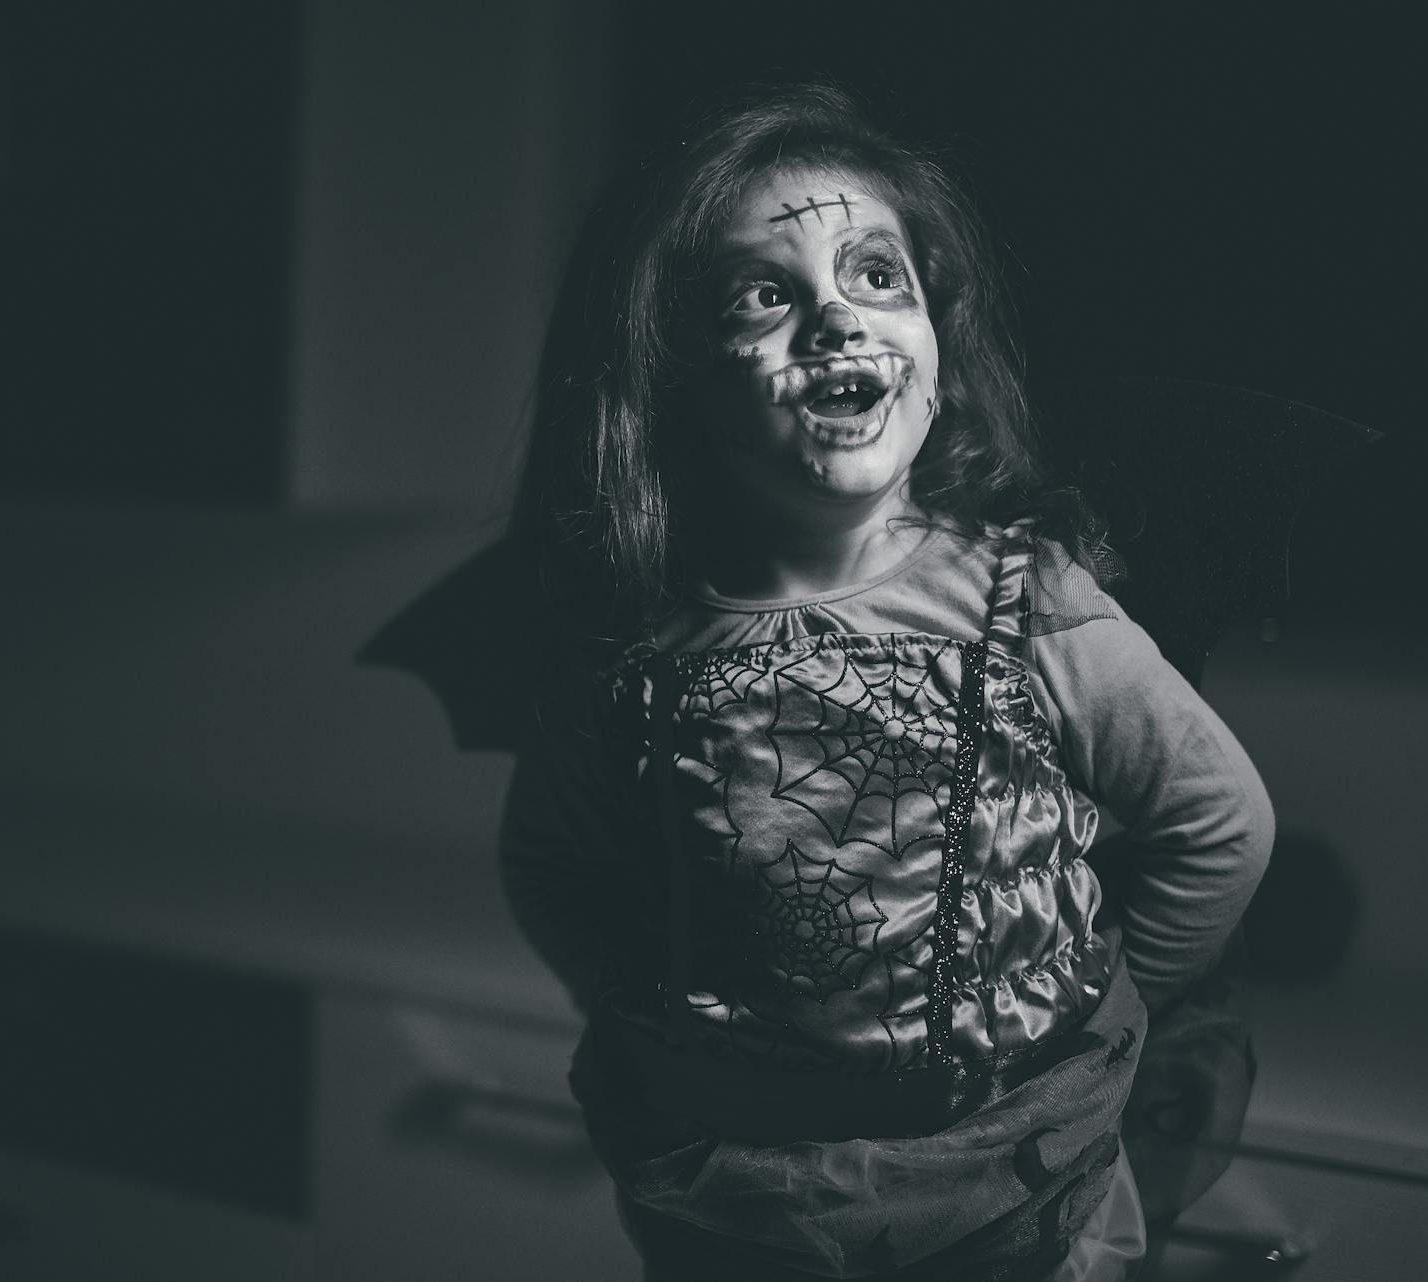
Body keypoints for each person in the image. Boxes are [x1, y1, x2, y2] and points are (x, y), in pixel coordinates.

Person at [500, 79, 1274, 1281]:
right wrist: (647, 1003)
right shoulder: (636, 647)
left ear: (937, 343)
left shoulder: (1030, 602)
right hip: (742, 1197)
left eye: (876, 276)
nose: (836, 321)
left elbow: (1219, 819)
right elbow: (551, 855)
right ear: (679, 382)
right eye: (767, 293)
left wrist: (1098, 991)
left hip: (1019, 1182)